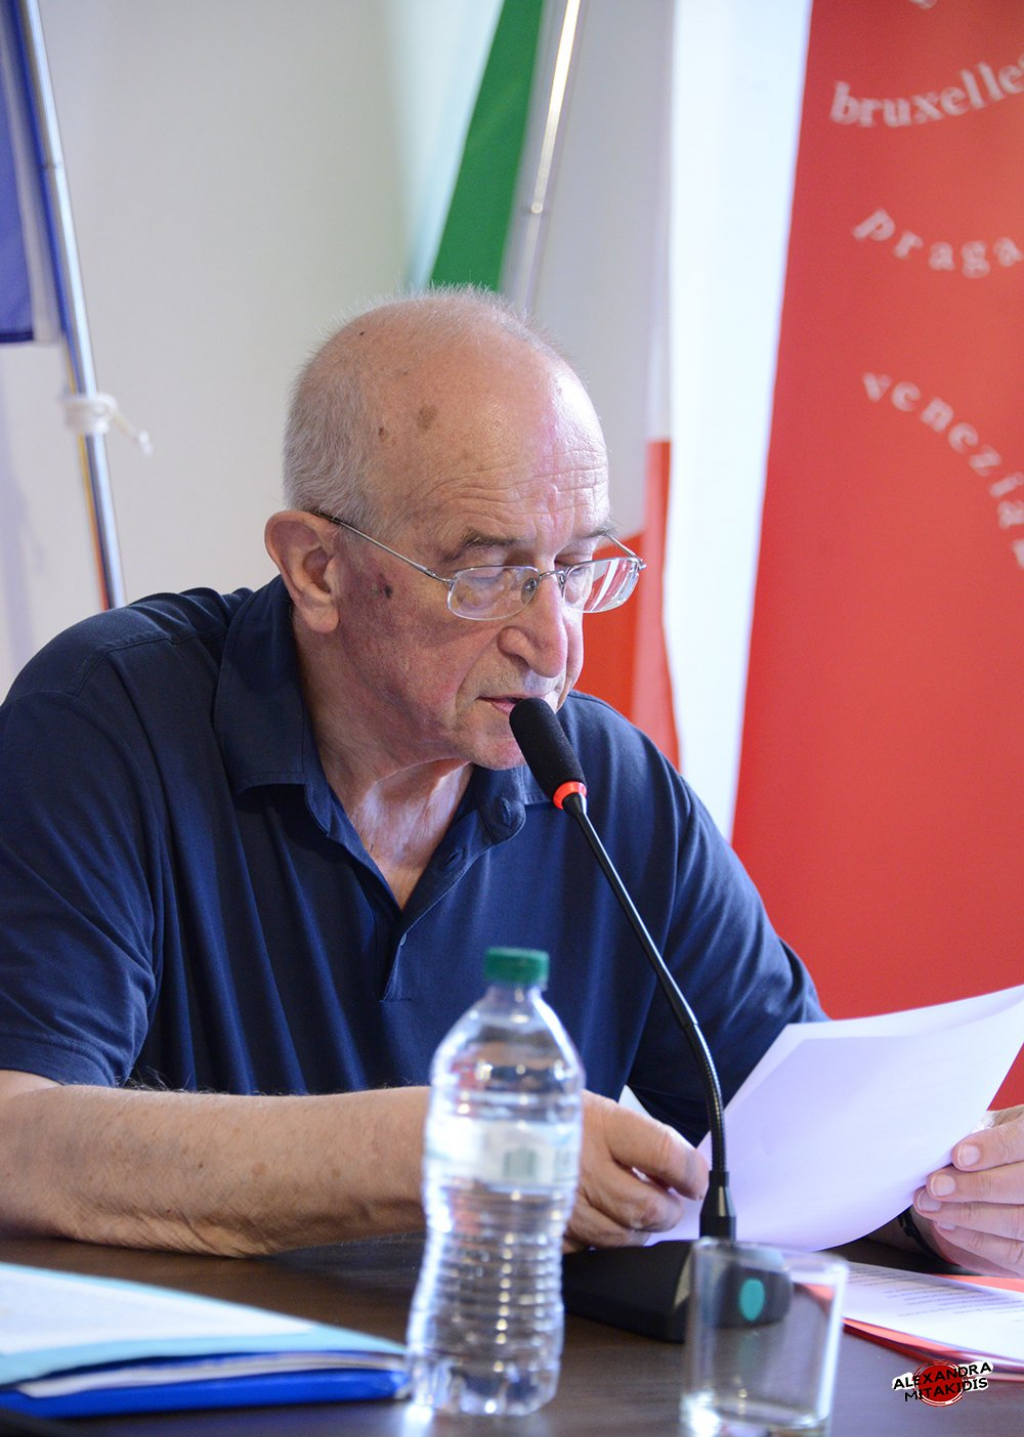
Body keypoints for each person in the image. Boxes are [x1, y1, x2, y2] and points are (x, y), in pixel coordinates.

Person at [0, 288, 1020, 1275]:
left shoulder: (610, 786)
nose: (555, 641)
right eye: (488, 573)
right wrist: (439, 1148)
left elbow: (798, 1152)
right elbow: (20, 1141)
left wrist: (951, 1199)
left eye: (576, 568)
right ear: (317, 569)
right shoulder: (111, 713)